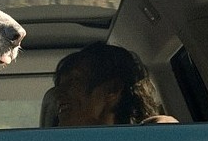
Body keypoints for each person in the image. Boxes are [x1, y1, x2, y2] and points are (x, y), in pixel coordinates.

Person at [40, 42, 177, 127]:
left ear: (113, 89)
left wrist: (164, 133)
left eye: (75, 81)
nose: (58, 93)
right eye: (60, 85)